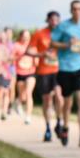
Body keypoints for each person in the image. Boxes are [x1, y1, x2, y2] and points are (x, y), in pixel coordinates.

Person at [51, 0, 80, 147]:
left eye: (79, 9)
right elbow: (53, 43)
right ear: (70, 10)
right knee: (67, 102)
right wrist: (67, 44)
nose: (77, 12)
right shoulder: (63, 26)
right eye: (74, 9)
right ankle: (66, 127)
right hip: (65, 67)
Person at [27, 11, 64, 142]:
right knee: (47, 100)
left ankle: (59, 123)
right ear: (47, 20)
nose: (54, 22)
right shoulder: (39, 34)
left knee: (59, 97)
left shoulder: (63, 34)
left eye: (56, 20)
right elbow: (29, 51)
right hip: (44, 71)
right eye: (51, 20)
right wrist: (42, 54)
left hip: (59, 70)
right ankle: (48, 128)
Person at [12, 29, 36, 123]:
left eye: (28, 35)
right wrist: (21, 55)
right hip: (20, 73)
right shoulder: (16, 45)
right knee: (23, 96)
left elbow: (36, 57)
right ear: (21, 36)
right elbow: (12, 58)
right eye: (24, 36)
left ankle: (28, 116)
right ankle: (18, 102)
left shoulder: (33, 46)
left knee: (29, 93)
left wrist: (36, 61)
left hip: (31, 72)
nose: (26, 37)